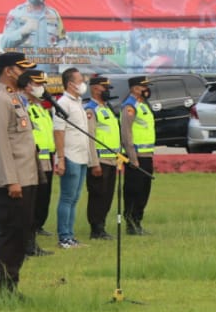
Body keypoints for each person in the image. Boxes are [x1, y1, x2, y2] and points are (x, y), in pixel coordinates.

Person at [0, 52, 41, 297]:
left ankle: (12, 286)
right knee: (10, 236)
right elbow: (0, 144)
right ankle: (6, 290)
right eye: (21, 69)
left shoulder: (14, 98)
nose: (25, 74)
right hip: (11, 181)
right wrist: (11, 180)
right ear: (8, 71)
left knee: (21, 234)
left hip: (25, 177)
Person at [53, 67, 100, 248]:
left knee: (74, 198)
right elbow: (58, 132)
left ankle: (70, 236)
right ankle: (64, 237)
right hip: (70, 156)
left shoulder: (78, 102)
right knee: (66, 197)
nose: (84, 84)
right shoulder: (63, 103)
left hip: (81, 156)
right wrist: (61, 158)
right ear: (71, 84)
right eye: (81, 80)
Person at [83, 74, 123, 239]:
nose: (107, 91)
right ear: (94, 88)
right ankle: (96, 229)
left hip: (112, 160)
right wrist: (94, 163)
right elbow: (89, 138)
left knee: (107, 195)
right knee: (98, 195)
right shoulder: (91, 110)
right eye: (104, 87)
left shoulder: (107, 108)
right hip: (99, 160)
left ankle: (102, 226)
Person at [21, 70, 55, 256]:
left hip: (46, 160)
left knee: (42, 202)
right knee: (31, 204)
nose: (41, 88)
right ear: (27, 85)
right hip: (31, 161)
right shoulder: (22, 106)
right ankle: (27, 244)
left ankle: (33, 241)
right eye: (37, 84)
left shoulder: (41, 107)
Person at [120, 76, 156, 235]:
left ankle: (138, 221)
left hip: (147, 155)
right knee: (133, 190)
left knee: (144, 191)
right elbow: (126, 134)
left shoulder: (143, 105)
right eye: (143, 87)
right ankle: (130, 223)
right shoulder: (130, 106)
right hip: (136, 156)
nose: (146, 90)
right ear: (135, 88)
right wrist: (132, 157)